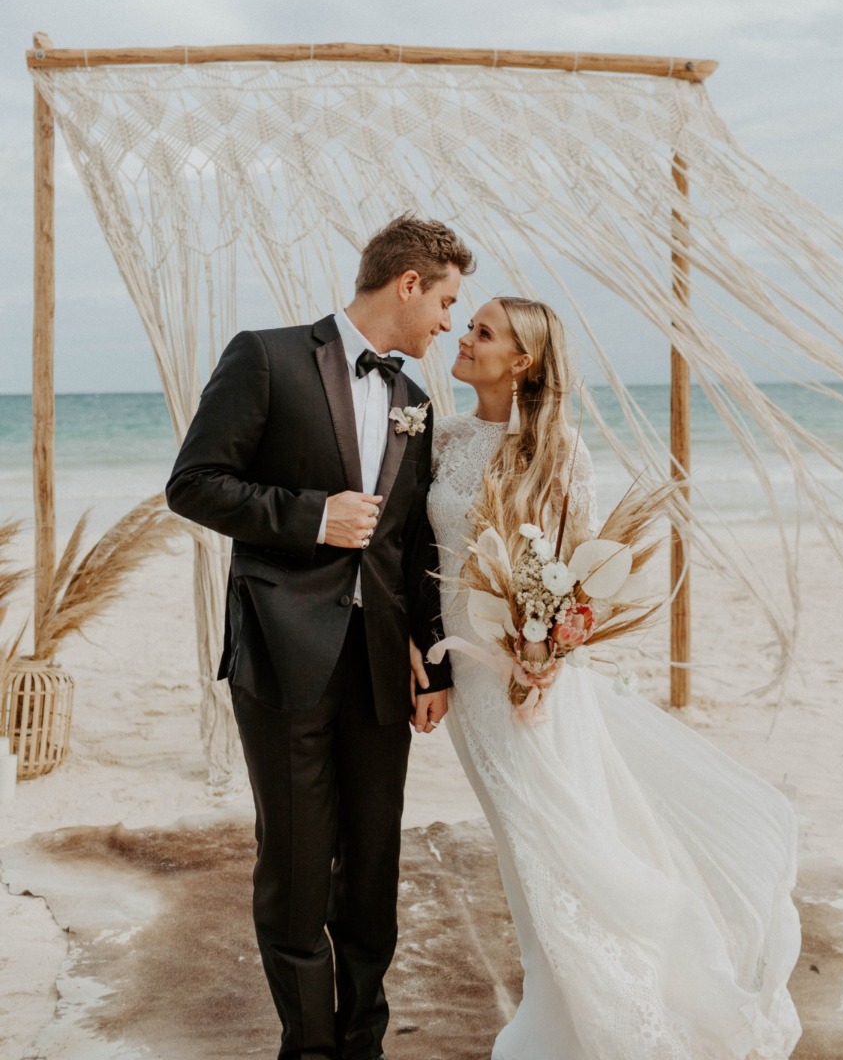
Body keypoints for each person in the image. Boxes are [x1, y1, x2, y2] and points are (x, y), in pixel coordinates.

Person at [420, 295, 802, 1060]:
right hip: (469, 679)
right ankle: (549, 1001)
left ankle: (583, 1020)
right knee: (516, 845)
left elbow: (578, 582)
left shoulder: (560, 451)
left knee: (552, 846)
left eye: (482, 331)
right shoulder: (446, 437)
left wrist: (544, 663)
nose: (464, 338)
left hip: (531, 689)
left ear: (521, 361)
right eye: (468, 325)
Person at [166, 214, 475, 1060]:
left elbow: (415, 546)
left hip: (380, 670)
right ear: (408, 285)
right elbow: (194, 485)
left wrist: (434, 654)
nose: (451, 321)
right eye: (447, 300)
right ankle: (308, 1047)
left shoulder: (415, 402)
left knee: (373, 870)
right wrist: (313, 517)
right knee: (300, 869)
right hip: (281, 654)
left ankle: (362, 1041)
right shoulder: (264, 356)